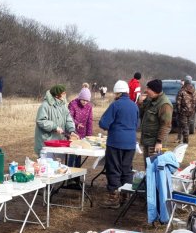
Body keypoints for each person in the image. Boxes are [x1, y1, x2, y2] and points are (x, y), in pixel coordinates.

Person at [99, 80, 139, 208]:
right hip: (131, 143)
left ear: (117, 92)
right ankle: (125, 197)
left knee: (114, 169)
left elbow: (104, 123)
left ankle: (113, 199)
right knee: (126, 170)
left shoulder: (115, 105)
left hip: (116, 142)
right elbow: (137, 124)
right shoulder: (134, 106)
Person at [34, 85, 78, 156]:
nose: (65, 95)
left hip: (59, 141)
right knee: (46, 165)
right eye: (63, 93)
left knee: (59, 165)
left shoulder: (63, 106)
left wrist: (71, 131)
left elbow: (68, 119)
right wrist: (55, 127)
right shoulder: (45, 106)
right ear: (57, 95)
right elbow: (41, 121)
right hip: (46, 142)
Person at [138, 79, 172, 165]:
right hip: (147, 140)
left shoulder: (165, 105)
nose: (146, 90)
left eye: (148, 89)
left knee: (154, 168)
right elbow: (141, 113)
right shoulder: (150, 100)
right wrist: (141, 102)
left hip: (155, 142)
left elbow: (166, 125)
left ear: (155, 91)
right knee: (148, 166)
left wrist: (159, 142)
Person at [67, 87, 94, 167]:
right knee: (72, 153)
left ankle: (77, 177)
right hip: (73, 132)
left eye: (87, 100)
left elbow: (90, 121)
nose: (85, 102)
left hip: (82, 133)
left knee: (79, 154)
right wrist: (77, 123)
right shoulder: (73, 104)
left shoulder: (89, 107)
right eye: (83, 100)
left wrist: (89, 136)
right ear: (80, 98)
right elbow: (69, 117)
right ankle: (70, 173)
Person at [175, 75, 196, 144]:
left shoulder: (181, 90)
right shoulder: (195, 91)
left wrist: (179, 111)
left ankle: (185, 142)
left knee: (185, 127)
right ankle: (185, 141)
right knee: (187, 126)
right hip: (191, 112)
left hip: (183, 112)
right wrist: (194, 108)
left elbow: (178, 102)